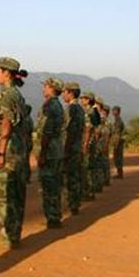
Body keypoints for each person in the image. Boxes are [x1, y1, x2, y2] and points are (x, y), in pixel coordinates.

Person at [0, 57, 28, 249]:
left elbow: (6, 124)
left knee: (3, 195)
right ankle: (14, 235)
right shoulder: (17, 95)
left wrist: (1, 152)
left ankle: (8, 237)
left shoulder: (7, 95)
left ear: (6, 73)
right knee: (16, 194)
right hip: (17, 150)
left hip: (8, 150)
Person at [37, 77, 65, 228]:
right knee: (55, 185)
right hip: (57, 149)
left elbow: (46, 131)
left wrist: (42, 153)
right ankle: (55, 216)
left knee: (48, 186)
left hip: (50, 150)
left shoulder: (49, 105)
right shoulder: (58, 105)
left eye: (46, 86)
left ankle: (52, 218)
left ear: (51, 88)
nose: (44, 89)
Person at [62, 81, 85, 215]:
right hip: (77, 146)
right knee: (75, 175)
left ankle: (71, 203)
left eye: (65, 92)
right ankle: (75, 203)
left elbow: (69, 131)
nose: (63, 95)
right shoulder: (81, 109)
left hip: (71, 147)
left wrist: (65, 149)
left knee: (69, 176)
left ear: (70, 93)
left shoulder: (71, 109)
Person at [111, 105, 126, 179]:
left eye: (115, 111)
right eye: (113, 110)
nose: (113, 112)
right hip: (118, 141)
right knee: (117, 157)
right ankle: (119, 173)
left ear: (118, 112)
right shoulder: (116, 120)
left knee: (118, 157)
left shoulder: (118, 121)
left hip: (118, 141)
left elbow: (117, 133)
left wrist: (115, 144)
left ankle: (120, 173)